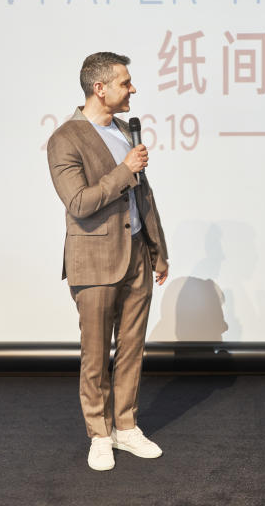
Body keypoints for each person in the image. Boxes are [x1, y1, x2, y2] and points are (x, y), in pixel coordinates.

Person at [46, 52, 169, 471]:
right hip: (94, 259)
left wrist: (157, 249)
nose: (132, 89)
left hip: (136, 252)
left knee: (133, 348)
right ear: (100, 88)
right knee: (96, 352)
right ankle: (99, 434)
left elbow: (143, 195)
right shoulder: (65, 139)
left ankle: (126, 426)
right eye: (125, 82)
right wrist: (123, 170)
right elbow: (79, 203)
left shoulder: (123, 129)